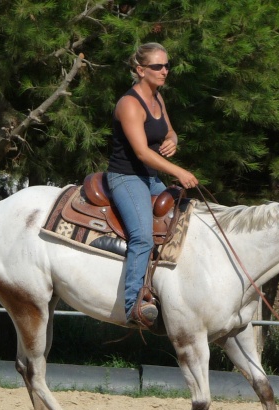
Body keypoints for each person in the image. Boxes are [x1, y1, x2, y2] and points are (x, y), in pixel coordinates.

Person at [106, 42, 198, 328]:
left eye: (167, 65)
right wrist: (179, 172)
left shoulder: (158, 98)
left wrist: (173, 141)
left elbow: (169, 131)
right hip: (126, 177)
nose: (165, 71)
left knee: (188, 219)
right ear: (140, 70)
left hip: (149, 178)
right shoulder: (129, 104)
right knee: (143, 236)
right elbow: (143, 152)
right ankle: (133, 305)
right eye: (158, 66)